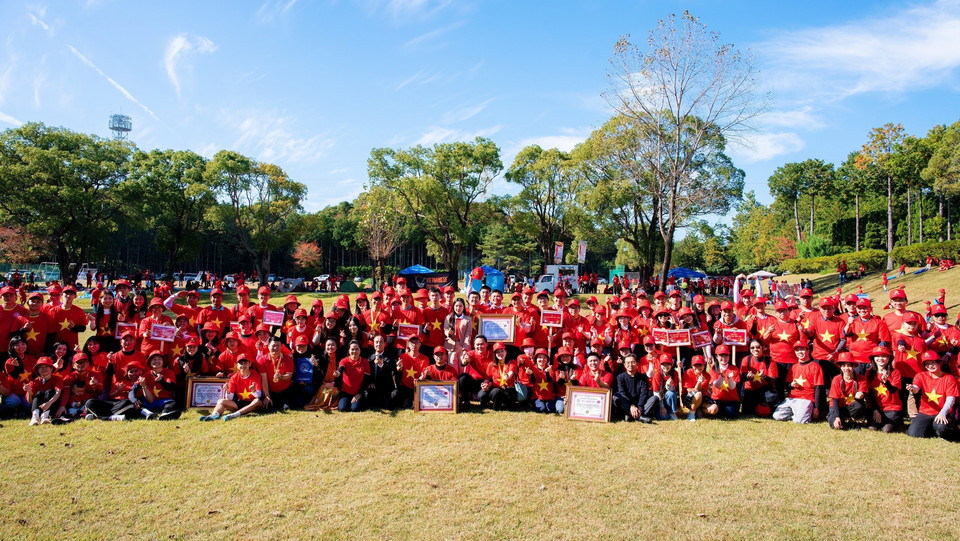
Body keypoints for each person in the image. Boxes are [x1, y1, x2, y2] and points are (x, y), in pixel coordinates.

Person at [905, 351, 958, 439]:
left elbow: (951, 399)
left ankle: (946, 430)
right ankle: (932, 430)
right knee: (913, 433)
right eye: (927, 364)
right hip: (925, 412)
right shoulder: (920, 376)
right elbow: (916, 388)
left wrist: (943, 413)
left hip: (943, 412)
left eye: (933, 362)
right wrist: (912, 388)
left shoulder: (949, 378)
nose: (930, 366)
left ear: (939, 363)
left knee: (942, 428)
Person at [773, 340, 824, 424]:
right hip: (792, 398)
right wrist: (791, 385)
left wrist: (816, 408)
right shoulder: (794, 367)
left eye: (802, 349)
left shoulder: (815, 367)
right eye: (797, 350)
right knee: (777, 416)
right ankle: (798, 413)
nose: (799, 352)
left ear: (808, 350)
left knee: (800, 421)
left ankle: (804, 413)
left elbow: (818, 388)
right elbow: (787, 385)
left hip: (806, 398)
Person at [199, 355, 263, 421]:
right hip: (239, 402)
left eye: (245, 362)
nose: (243, 365)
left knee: (257, 401)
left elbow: (259, 395)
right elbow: (229, 398)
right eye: (240, 363)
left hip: (252, 403)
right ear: (237, 365)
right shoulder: (234, 377)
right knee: (221, 401)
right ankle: (214, 415)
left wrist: (253, 391)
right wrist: (228, 391)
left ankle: (233, 415)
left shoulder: (255, 375)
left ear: (250, 364)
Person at [826, 352, 868, 430]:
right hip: (838, 406)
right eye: (843, 366)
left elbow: (861, 400)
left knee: (859, 405)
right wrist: (837, 417)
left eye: (849, 365)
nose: (846, 368)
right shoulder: (836, 379)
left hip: (852, 406)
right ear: (840, 367)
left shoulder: (861, 379)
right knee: (835, 426)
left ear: (854, 366)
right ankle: (834, 417)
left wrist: (860, 395)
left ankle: (853, 420)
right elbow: (835, 399)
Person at [866, 346, 902, 433]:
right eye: (877, 356)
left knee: (886, 430)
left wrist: (886, 382)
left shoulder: (895, 372)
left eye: (883, 356)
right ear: (873, 359)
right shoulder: (869, 373)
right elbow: (870, 393)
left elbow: (893, 390)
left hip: (891, 407)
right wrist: (875, 410)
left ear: (888, 358)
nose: (880, 359)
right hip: (876, 407)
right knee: (872, 429)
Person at [740, 339, 778, 417]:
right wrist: (747, 377)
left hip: (765, 389)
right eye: (752, 348)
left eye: (758, 347)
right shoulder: (746, 360)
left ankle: (770, 407)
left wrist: (764, 376)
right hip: (751, 389)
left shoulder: (769, 360)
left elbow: (773, 380)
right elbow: (742, 377)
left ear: (763, 348)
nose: (755, 349)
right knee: (747, 411)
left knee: (772, 397)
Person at [613, 353, 653, 422]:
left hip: (639, 403)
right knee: (616, 396)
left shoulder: (643, 377)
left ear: (637, 364)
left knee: (654, 398)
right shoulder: (620, 377)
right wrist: (631, 406)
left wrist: (640, 406)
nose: (630, 365)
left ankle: (635, 415)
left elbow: (644, 393)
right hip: (627, 404)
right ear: (625, 365)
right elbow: (622, 393)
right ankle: (636, 415)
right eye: (628, 363)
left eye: (633, 362)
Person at [334, 340, 370, 412]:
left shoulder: (365, 362)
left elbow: (366, 380)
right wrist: (338, 372)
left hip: (358, 393)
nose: (354, 351)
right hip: (345, 393)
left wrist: (359, 394)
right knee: (342, 409)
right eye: (352, 349)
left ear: (360, 350)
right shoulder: (344, 360)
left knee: (355, 409)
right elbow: (341, 368)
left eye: (357, 349)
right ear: (349, 351)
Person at [26, 357, 62, 425]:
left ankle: (45, 416)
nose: (44, 369)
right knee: (39, 393)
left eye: (46, 366)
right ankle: (35, 417)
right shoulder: (34, 382)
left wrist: (49, 403)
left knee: (49, 391)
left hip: (52, 405)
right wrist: (29, 392)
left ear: (51, 368)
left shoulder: (57, 379)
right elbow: (31, 401)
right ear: (37, 370)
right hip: (40, 407)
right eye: (41, 367)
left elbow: (58, 393)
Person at [709, 346, 741, 419]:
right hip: (717, 399)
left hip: (731, 399)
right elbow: (717, 385)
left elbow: (732, 387)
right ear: (716, 356)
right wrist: (722, 377)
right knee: (718, 414)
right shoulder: (713, 369)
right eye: (721, 355)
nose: (724, 358)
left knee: (731, 414)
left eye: (726, 355)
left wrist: (730, 379)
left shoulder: (734, 369)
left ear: (729, 356)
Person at [681, 355, 713, 421]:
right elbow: (689, 390)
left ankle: (698, 408)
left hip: (702, 396)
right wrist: (699, 382)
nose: (698, 367)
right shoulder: (688, 372)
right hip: (688, 396)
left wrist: (701, 389)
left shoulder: (707, 375)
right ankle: (691, 413)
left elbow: (703, 389)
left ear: (704, 365)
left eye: (700, 365)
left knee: (714, 409)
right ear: (692, 366)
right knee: (698, 394)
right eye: (696, 365)